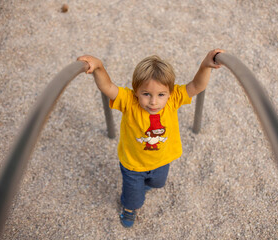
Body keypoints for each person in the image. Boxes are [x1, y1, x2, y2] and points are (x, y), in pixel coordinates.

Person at [77, 49, 224, 228]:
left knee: (158, 183)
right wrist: (99, 66)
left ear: (169, 92)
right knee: (134, 198)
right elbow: (107, 87)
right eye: (146, 94)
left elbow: (197, 86)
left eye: (161, 94)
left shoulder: (173, 99)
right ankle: (129, 208)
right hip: (133, 165)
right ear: (136, 91)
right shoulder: (129, 101)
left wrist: (205, 65)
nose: (153, 102)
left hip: (161, 160)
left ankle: (144, 187)